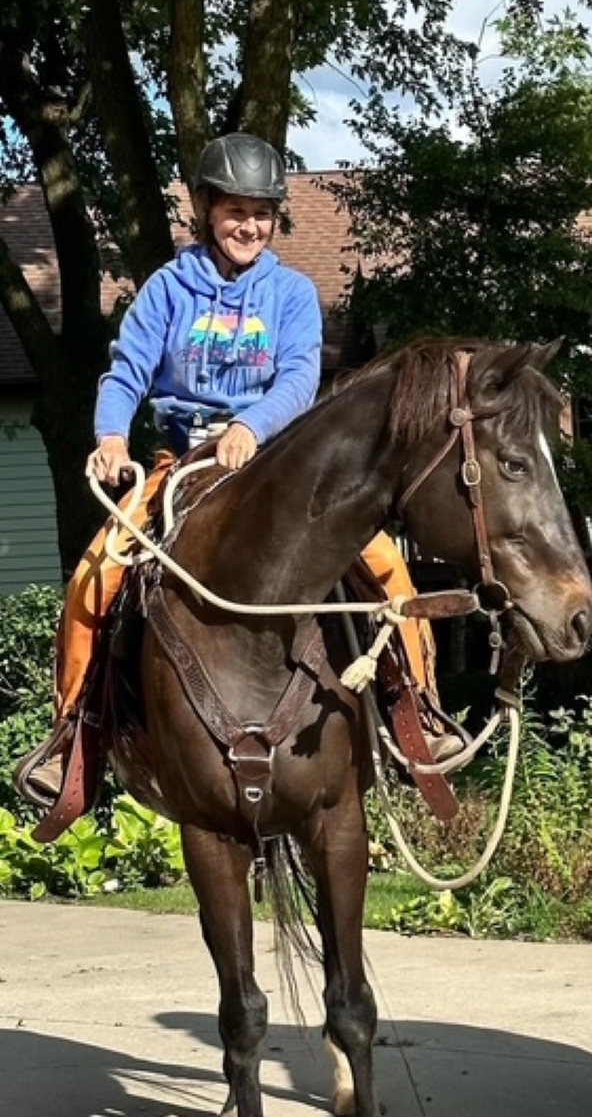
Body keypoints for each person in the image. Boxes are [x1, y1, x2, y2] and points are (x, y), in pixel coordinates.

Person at [22, 131, 455, 806]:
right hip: (183, 465)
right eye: (234, 210)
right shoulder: (168, 289)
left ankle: (418, 715)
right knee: (95, 579)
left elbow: (300, 375)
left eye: (261, 212)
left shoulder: (291, 293)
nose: (248, 225)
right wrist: (110, 437)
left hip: (279, 463)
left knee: (386, 567)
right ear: (203, 209)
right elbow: (127, 371)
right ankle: (73, 739)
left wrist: (253, 427)